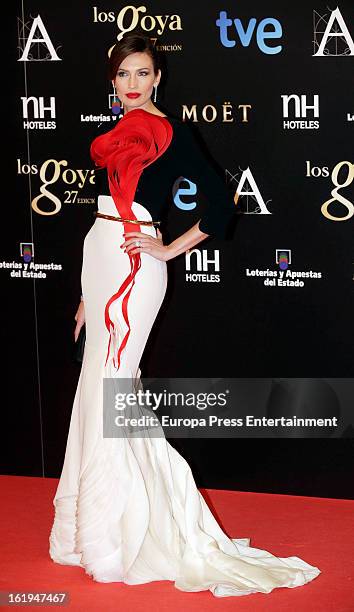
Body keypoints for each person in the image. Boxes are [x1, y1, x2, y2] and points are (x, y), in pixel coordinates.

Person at [49, 32, 321, 597]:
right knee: (96, 385)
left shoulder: (170, 132)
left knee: (112, 387)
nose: (131, 85)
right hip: (101, 266)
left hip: (133, 267)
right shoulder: (121, 131)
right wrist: (84, 296)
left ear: (157, 78)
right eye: (122, 75)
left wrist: (168, 248)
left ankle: (119, 537)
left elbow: (222, 204)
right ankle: (94, 530)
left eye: (142, 74)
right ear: (112, 79)